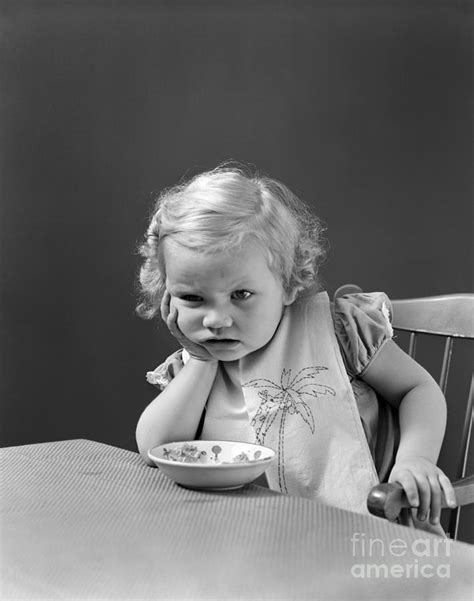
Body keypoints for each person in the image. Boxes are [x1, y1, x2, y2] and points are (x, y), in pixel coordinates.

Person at [135, 163, 455, 530]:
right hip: (236, 547)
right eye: (192, 298)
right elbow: (154, 449)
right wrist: (201, 361)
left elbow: (418, 389)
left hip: (359, 541)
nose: (216, 320)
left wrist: (416, 459)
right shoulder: (193, 369)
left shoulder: (337, 334)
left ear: (288, 285)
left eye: (241, 295)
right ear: (167, 295)